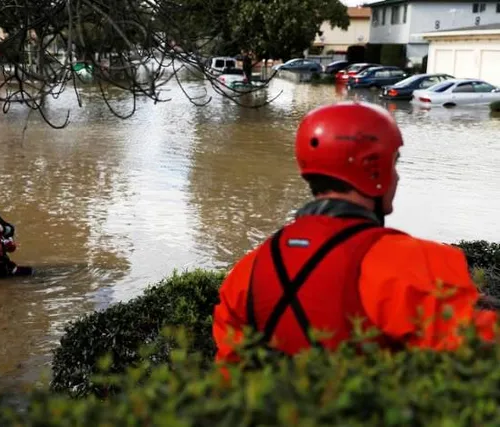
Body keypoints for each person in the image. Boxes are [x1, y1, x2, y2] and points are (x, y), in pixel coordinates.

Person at [212, 101, 497, 365]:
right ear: (373, 169)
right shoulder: (415, 263)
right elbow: (481, 353)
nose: (396, 176)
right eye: (393, 164)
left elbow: (229, 376)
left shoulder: (248, 270)